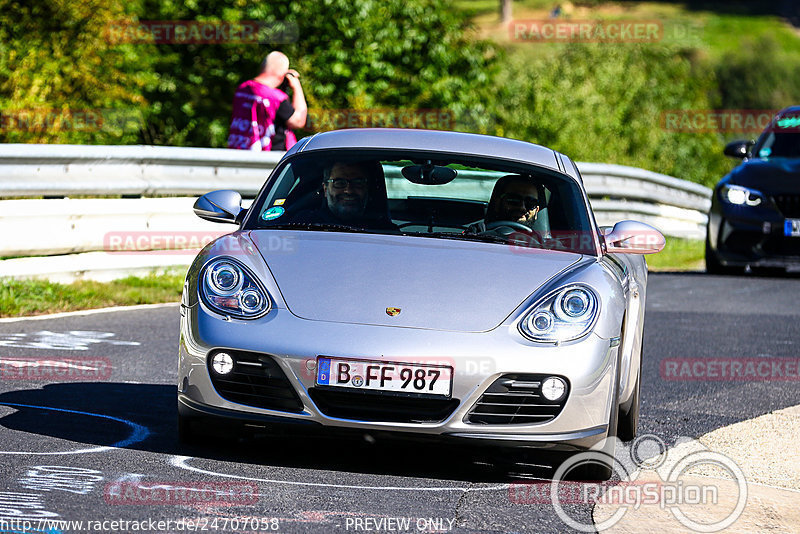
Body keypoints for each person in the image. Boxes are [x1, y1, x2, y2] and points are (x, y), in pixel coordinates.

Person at [227, 51, 307, 151]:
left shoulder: (242, 89)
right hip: (268, 157)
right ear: (281, 73)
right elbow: (298, 121)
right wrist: (296, 86)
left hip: (239, 151)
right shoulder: (276, 98)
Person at [290, 161, 398, 230]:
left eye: (357, 182)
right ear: (325, 188)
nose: (348, 190)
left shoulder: (385, 231)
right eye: (339, 183)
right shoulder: (302, 225)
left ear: (367, 188)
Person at [468, 174, 545, 233]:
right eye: (514, 200)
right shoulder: (476, 232)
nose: (522, 207)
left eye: (530, 203)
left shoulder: (543, 246)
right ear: (498, 204)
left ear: (537, 211)